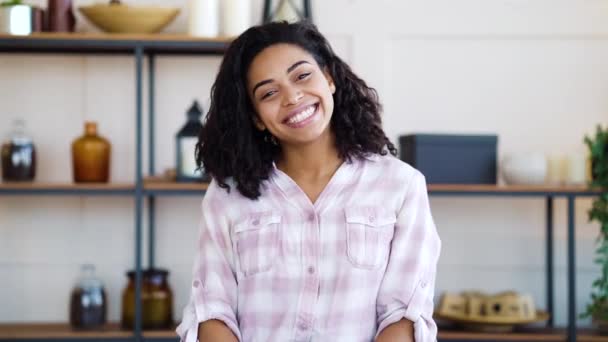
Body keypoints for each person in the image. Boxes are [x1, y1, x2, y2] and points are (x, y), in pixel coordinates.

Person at [176, 20, 441, 342]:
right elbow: (212, 311)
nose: (292, 97)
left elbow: (403, 314)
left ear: (329, 78)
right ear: (256, 117)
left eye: (302, 75)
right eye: (269, 92)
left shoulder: (401, 185)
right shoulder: (227, 195)